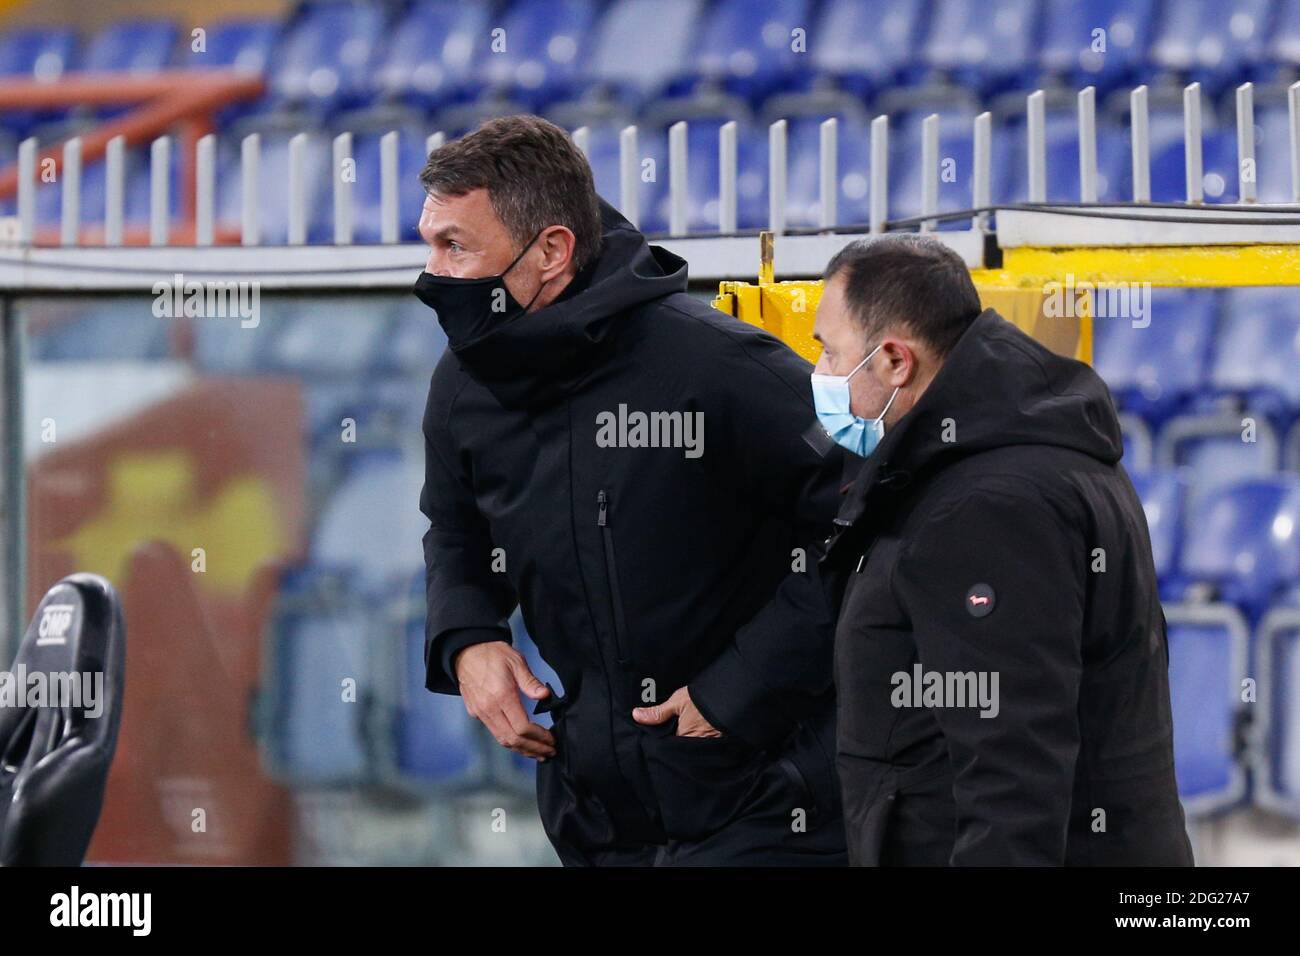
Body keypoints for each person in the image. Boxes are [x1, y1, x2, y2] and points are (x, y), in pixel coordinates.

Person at [414, 115, 847, 865]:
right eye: (430, 244)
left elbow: (862, 523)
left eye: (455, 247)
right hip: (596, 817)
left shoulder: (718, 366)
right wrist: (468, 637)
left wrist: (739, 689)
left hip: (769, 809)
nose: (431, 275)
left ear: (551, 251)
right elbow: (454, 533)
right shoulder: (462, 383)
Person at [814, 234, 1194, 866]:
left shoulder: (986, 505)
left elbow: (1012, 767)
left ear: (894, 361)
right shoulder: (1032, 450)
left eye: (830, 352)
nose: (821, 374)